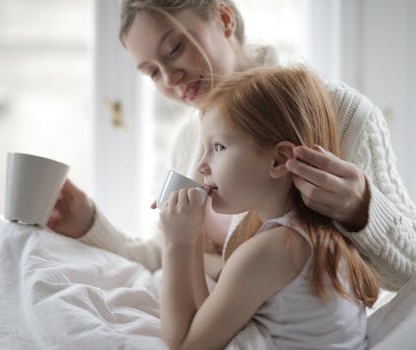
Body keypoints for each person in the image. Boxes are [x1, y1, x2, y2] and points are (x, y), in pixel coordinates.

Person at [47, 0, 416, 292]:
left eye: (174, 49)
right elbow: (162, 255)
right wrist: (88, 224)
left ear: (224, 18)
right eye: (151, 72)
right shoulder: (188, 142)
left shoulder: (341, 112)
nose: (169, 77)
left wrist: (362, 208)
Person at [158, 65, 380, 350]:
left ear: (278, 160)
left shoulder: (270, 251)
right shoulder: (310, 236)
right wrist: (193, 235)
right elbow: (211, 321)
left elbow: (183, 345)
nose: (202, 166)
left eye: (219, 147)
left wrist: (175, 244)